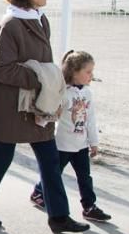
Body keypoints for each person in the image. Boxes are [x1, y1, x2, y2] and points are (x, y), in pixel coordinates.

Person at [0, 0, 89, 234]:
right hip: (12, 105)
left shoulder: (39, 19)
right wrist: (41, 78)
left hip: (36, 105)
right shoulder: (11, 24)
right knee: (3, 155)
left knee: (49, 158)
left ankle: (58, 216)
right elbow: (1, 69)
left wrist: (45, 81)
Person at [29, 50, 113, 222]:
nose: (91, 75)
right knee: (54, 174)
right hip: (62, 144)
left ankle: (89, 207)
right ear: (74, 72)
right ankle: (38, 193)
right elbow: (51, 112)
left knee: (85, 177)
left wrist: (93, 142)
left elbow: (91, 119)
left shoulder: (88, 94)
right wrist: (40, 123)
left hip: (81, 145)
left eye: (92, 71)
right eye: (88, 71)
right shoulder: (63, 93)